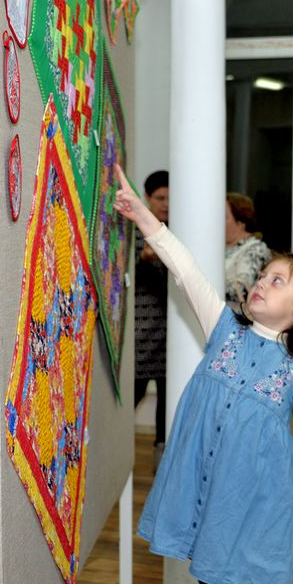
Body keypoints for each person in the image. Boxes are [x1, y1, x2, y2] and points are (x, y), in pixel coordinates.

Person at [113, 164, 293, 584]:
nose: (261, 284)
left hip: (267, 507)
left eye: (277, 281)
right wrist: (143, 216)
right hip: (216, 506)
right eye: (263, 276)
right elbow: (185, 269)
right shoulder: (224, 331)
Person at [134, 170, 169, 455]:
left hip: (172, 331)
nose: (166, 204)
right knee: (134, 391)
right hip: (141, 331)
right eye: (160, 198)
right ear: (147, 197)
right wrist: (143, 259)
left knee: (169, 402)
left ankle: (162, 456)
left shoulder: (177, 231)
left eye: (171, 198)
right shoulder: (134, 229)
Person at [224, 192, 271, 310]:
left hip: (237, 318)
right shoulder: (217, 249)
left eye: (224, 217)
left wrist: (202, 286)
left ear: (240, 222)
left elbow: (242, 289)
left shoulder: (256, 249)